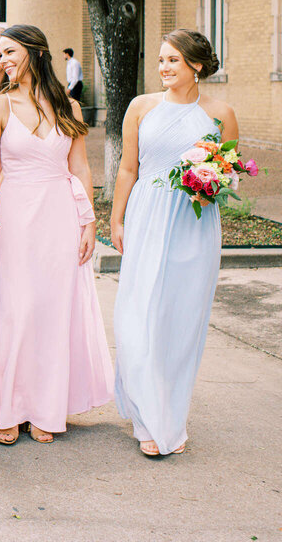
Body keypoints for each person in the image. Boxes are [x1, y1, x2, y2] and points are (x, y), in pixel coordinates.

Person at [0, 24, 112, 445]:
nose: (3, 59)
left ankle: (45, 409)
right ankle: (7, 407)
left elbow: (80, 168)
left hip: (58, 216)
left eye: (10, 51)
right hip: (12, 218)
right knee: (15, 311)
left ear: (35, 53)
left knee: (53, 312)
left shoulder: (68, 107)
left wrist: (89, 222)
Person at [110, 30, 235, 457]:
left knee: (181, 321)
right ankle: (146, 415)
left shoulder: (220, 114)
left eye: (173, 61)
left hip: (194, 223)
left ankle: (170, 418)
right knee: (137, 316)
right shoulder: (141, 107)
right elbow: (128, 167)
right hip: (147, 214)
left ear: (196, 66)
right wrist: (117, 219)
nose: (163, 68)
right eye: (161, 60)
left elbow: (229, 171)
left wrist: (213, 183)